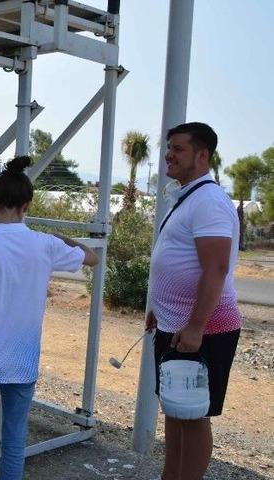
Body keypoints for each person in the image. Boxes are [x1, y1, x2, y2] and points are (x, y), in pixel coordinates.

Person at [0, 156, 99, 480]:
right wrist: (61, 239)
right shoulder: (44, 245)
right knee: (13, 444)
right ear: (27, 205)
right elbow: (92, 258)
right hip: (22, 359)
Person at [148, 122, 241, 480]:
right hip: (176, 325)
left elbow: (216, 268)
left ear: (202, 156)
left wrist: (196, 326)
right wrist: (161, 310)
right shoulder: (188, 196)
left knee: (194, 414)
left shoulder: (209, 201)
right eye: (168, 147)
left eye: (178, 149)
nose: (169, 155)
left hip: (206, 328)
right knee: (174, 409)